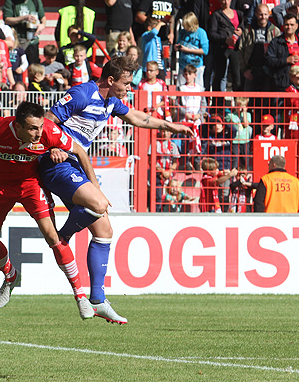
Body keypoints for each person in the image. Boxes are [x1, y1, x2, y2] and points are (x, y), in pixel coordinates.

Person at [39, 56, 192, 323]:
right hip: (57, 162)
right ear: (110, 80)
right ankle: (63, 235)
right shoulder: (82, 93)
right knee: (98, 204)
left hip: (76, 164)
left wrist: (170, 126)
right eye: (126, 83)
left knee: (104, 231)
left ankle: (97, 299)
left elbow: (136, 118)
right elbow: (46, 121)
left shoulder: (110, 101)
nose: (129, 88)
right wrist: (53, 147)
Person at [0, 101, 95, 319]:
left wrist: (93, 186)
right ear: (18, 127)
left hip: (30, 184)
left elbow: (80, 152)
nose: (39, 133)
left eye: (40, 127)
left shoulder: (49, 132)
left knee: (52, 235)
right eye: (33, 129)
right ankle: (11, 276)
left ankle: (80, 295)